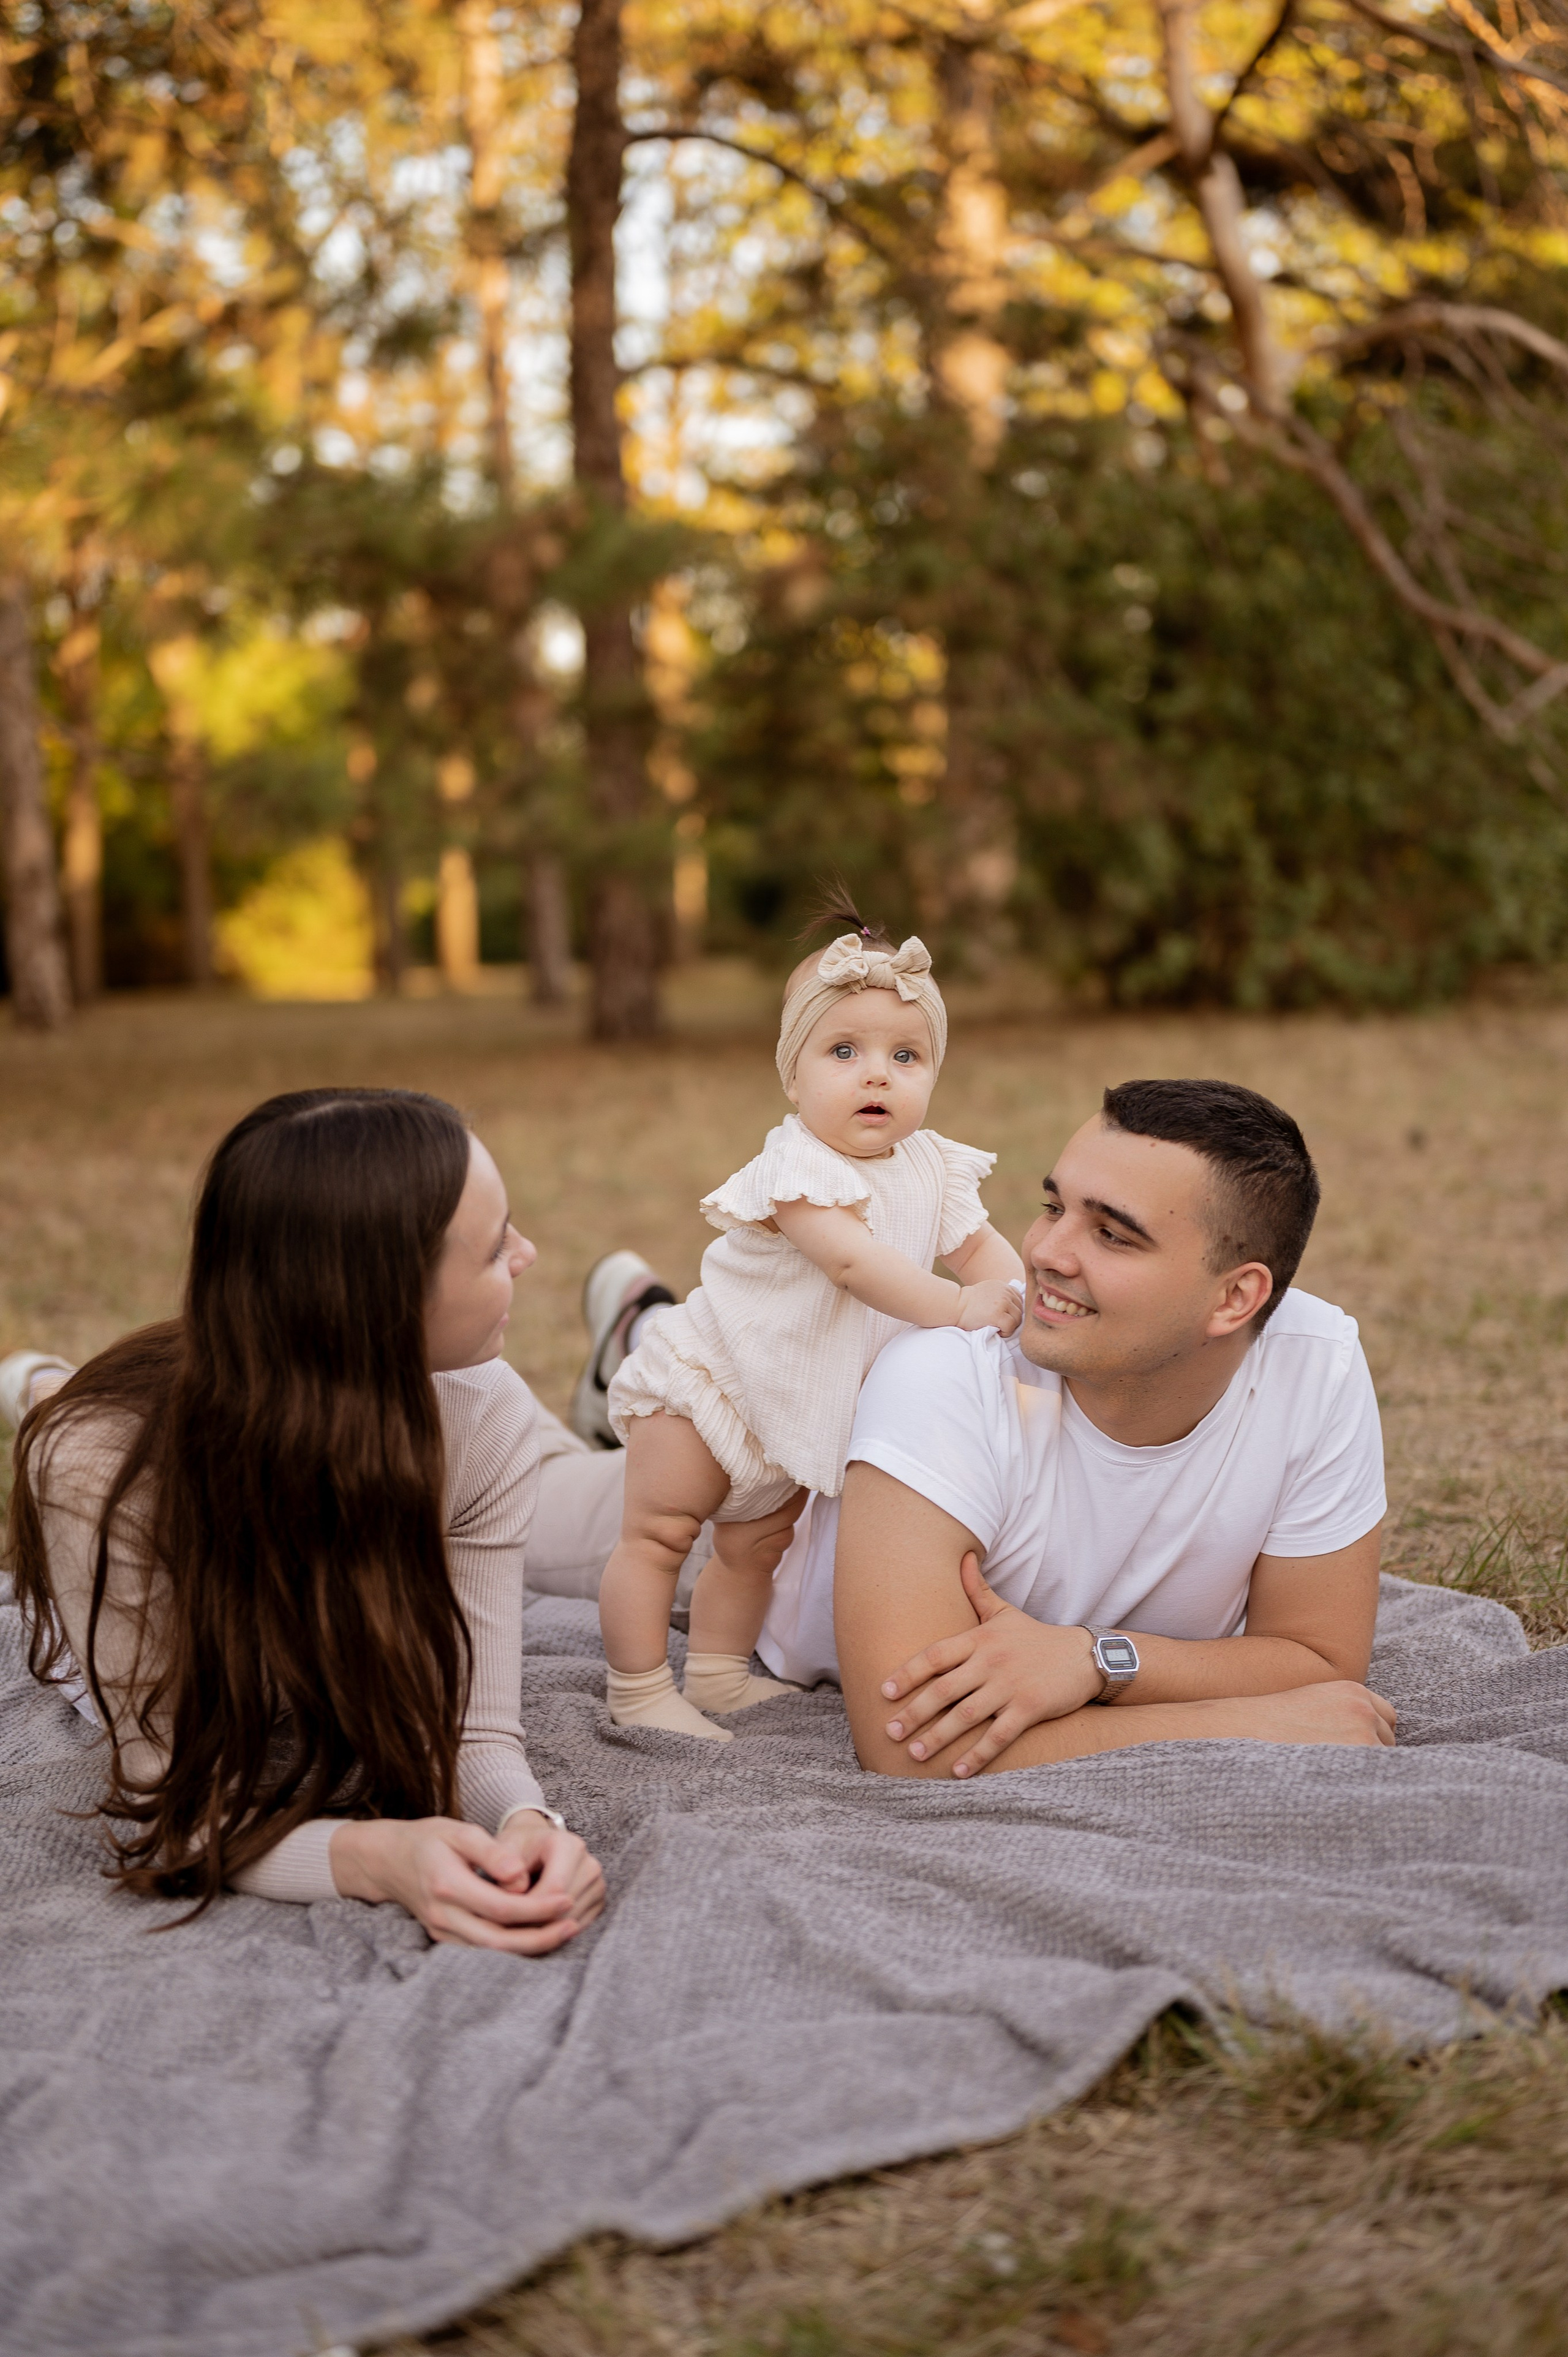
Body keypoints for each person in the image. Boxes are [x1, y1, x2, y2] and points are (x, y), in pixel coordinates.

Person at [4, 1087, 606, 1953]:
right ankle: (37, 1385)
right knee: (65, 1418)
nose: (528, 1253)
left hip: (284, 1407)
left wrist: (527, 1822)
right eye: (493, 1247)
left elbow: (473, 1727)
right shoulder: (101, 1481)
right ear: (382, 1305)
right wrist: (378, 1859)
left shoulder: (486, 1413)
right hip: (130, 1446)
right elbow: (172, 1801)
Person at [763, 1077, 1396, 1775]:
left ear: (1235, 1298)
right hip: (739, 1535)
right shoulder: (943, 1376)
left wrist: (1094, 1658)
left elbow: (1318, 1659)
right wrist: (1252, 1723)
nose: (1044, 1253)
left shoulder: (1315, 1363)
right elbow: (911, 1748)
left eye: (1111, 1235)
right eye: (1053, 1207)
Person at [595, 911, 1027, 1741]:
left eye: (906, 1056)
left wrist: (1022, 1300)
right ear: (793, 1078)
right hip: (710, 1385)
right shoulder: (798, 1168)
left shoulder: (932, 1165)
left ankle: (718, 1674)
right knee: (658, 1538)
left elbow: (979, 1250)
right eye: (844, 1052)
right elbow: (853, 1264)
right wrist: (957, 1307)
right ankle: (638, 1688)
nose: (877, 1075)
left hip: (790, 1413)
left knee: (754, 1551)